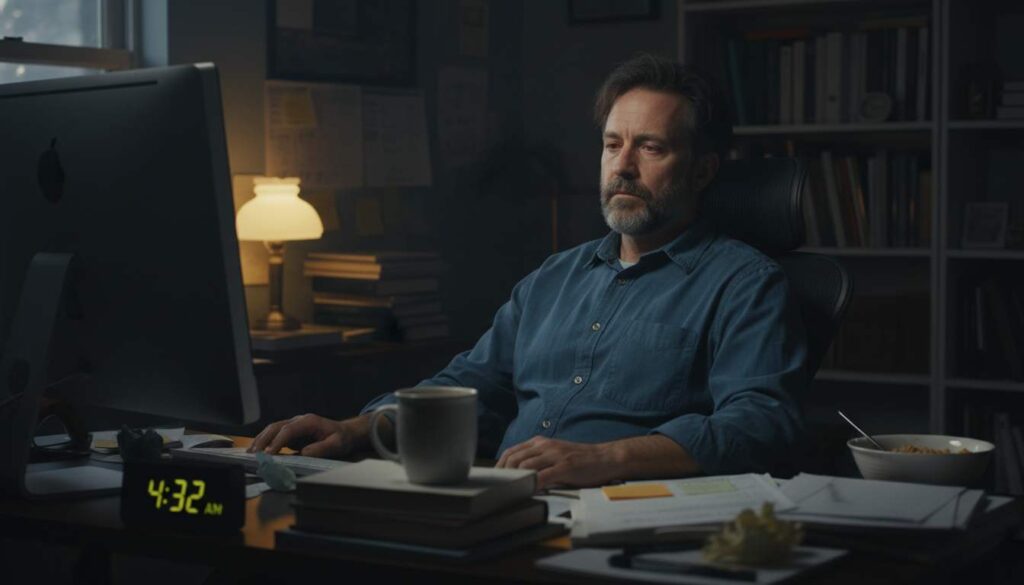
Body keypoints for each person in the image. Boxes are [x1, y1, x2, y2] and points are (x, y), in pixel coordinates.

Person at [249, 53, 807, 489]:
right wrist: (354, 429)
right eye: (612, 145)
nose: (623, 167)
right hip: (505, 500)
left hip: (625, 512)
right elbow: (468, 386)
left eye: (651, 148)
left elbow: (760, 424)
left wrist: (606, 458)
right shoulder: (553, 279)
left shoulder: (744, 284)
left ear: (702, 170)